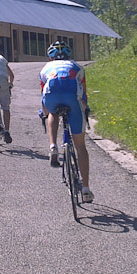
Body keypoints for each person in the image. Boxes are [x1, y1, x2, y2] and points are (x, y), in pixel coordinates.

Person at [38, 40, 93, 203]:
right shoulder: (77, 67)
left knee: (52, 113)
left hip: (51, 96)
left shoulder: (45, 68)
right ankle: (86, 189)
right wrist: (84, 109)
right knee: (80, 146)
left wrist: (45, 113)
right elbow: (83, 95)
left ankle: (53, 146)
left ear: (51, 57)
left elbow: (43, 94)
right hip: (72, 97)